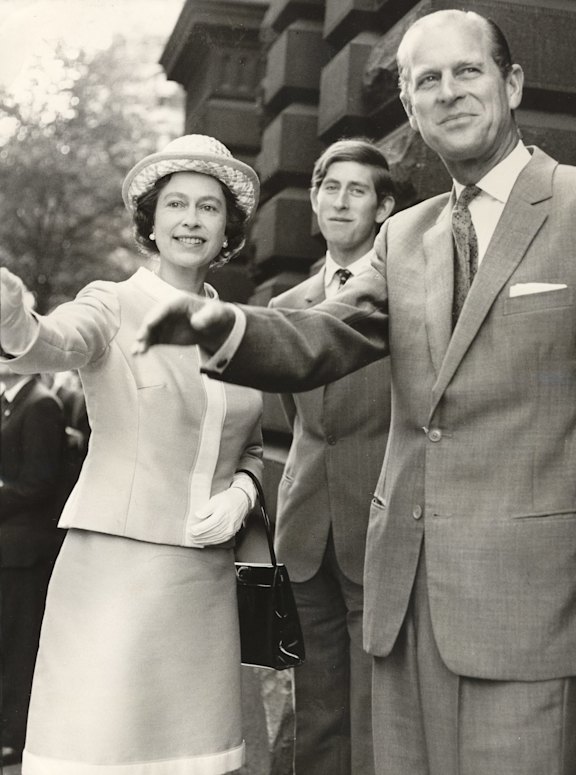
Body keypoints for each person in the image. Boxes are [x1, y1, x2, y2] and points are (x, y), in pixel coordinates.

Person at [133, 10, 576, 775]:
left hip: (530, 600)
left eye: (466, 71)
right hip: (400, 599)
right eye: (426, 81)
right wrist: (216, 323)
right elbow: (321, 334)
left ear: (510, 83)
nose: (448, 93)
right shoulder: (404, 237)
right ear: (409, 110)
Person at [0, 133, 264, 775]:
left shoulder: (242, 326)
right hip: (115, 577)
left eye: (209, 206)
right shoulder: (110, 303)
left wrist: (244, 494)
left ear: (228, 225)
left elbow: (253, 444)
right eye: (177, 204)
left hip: (204, 582)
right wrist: (12, 316)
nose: (192, 220)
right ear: (152, 219)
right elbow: (54, 342)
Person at [268, 138, 394, 775]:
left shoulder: (406, 296)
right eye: (329, 187)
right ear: (314, 200)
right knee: (309, 701)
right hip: (302, 527)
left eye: (357, 190)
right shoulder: (285, 309)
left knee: (377, 702)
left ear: (383, 207)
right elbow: (296, 427)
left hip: (378, 522)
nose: (340, 201)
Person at [0, 365, 65, 767]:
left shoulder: (42, 405)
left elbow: (39, 483)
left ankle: (13, 736)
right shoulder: (11, 403)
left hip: (25, 549)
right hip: (10, 545)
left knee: (20, 645)